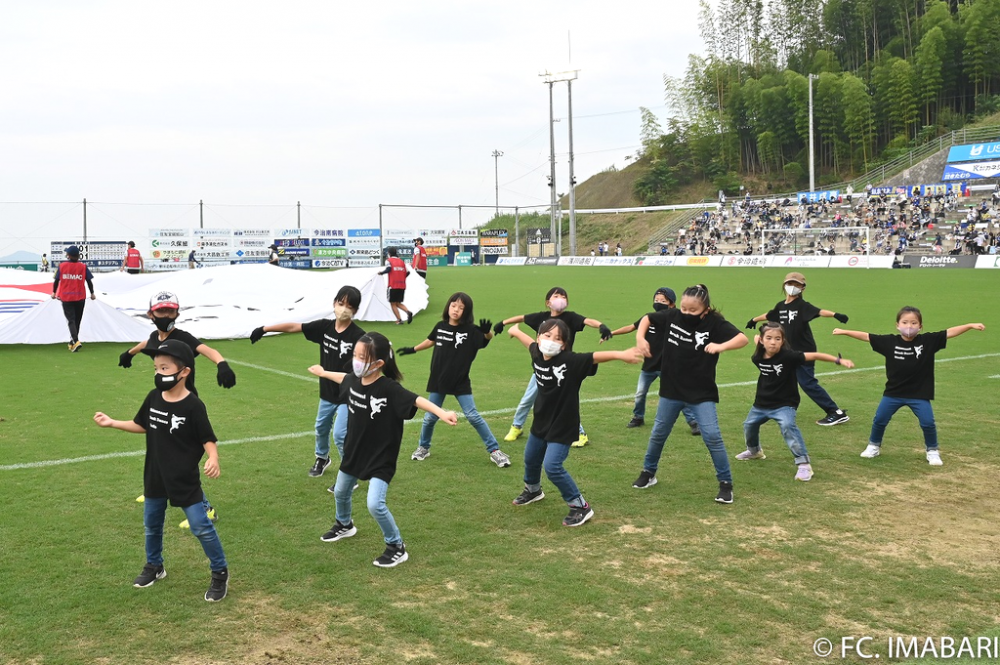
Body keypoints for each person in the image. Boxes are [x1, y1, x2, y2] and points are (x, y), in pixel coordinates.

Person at [94, 339, 229, 602]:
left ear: (184, 372)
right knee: (152, 525)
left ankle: (220, 573)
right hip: (155, 474)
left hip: (183, 477)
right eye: (156, 368)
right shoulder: (154, 397)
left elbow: (208, 438)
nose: (159, 374)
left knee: (201, 526)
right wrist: (112, 423)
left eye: (165, 368)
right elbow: (141, 424)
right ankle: (155, 566)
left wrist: (214, 457)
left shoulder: (193, 406)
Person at [309, 332, 459, 567]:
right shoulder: (354, 380)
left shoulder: (389, 389)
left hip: (380, 456)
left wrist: (442, 413)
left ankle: (396, 546)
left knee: (374, 504)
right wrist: (323, 372)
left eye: (362, 357)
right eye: (356, 355)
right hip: (354, 452)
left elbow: (417, 400)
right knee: (340, 492)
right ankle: (344, 525)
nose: (356, 360)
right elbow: (344, 377)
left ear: (379, 363)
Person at [506, 319, 641, 526]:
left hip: (563, 423)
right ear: (539, 337)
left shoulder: (570, 361)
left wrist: (621, 354)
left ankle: (580, 506)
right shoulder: (536, 352)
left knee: (552, 466)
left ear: (564, 344)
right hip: (541, 420)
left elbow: (595, 357)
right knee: (531, 457)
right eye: (547, 336)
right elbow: (528, 342)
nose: (551, 341)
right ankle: (533, 490)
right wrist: (515, 331)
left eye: (558, 339)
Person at [119, 291, 237, 524]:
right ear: (150, 314)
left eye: (170, 311)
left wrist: (222, 364)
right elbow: (147, 343)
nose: (166, 315)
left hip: (185, 407)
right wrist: (129, 353)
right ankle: (157, 491)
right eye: (161, 311)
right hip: (164, 403)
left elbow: (208, 350)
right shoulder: (155, 337)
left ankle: (206, 509)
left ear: (177, 313)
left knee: (181, 465)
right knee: (160, 452)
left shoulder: (184, 337)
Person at [633, 284, 749, 503]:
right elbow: (647, 319)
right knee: (659, 432)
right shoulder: (673, 315)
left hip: (701, 392)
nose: (686, 314)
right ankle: (648, 473)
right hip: (671, 389)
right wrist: (640, 338)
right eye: (684, 309)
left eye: (692, 311)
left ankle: (726, 484)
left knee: (712, 436)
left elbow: (742, 339)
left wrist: (720, 346)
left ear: (704, 310)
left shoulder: (714, 322)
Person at [833, 307, 985, 465]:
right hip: (893, 393)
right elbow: (866, 336)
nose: (909, 326)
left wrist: (969, 325)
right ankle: (873, 446)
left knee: (927, 422)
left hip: (919, 394)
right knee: (880, 420)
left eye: (914, 323)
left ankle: (932, 451)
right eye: (905, 322)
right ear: (897, 325)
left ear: (920, 326)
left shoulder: (928, 341)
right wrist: (845, 331)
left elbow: (949, 332)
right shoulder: (889, 342)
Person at [250, 286, 365, 480]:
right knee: (321, 428)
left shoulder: (359, 336)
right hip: (327, 394)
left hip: (349, 395)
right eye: (341, 303)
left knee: (339, 435)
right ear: (334, 302)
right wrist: (265, 329)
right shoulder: (324, 328)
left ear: (355, 310)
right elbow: (295, 327)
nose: (344, 309)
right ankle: (322, 458)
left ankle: (349, 475)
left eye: (349, 306)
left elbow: (364, 368)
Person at [398, 292, 510, 467]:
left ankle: (495, 450)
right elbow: (430, 341)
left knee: (473, 416)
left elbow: (486, 339)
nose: (456, 309)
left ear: (466, 312)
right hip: (438, 380)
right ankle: (423, 447)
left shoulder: (472, 331)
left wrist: (487, 332)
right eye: (453, 305)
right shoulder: (440, 326)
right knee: (430, 418)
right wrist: (413, 349)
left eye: (461, 307)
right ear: (448, 306)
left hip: (460, 381)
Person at [493, 286, 612, 447]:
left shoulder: (570, 317)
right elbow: (522, 318)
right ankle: (517, 427)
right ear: (548, 302)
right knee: (527, 399)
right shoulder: (541, 318)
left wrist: (601, 326)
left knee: (563, 403)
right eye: (556, 296)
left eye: (563, 296)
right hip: (541, 368)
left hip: (562, 371)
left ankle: (580, 433)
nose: (560, 298)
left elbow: (588, 320)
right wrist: (503, 323)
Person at [737, 322, 855, 482]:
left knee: (787, 427)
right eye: (769, 338)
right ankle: (754, 451)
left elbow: (814, 355)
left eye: (778, 339)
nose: (773, 342)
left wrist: (838, 361)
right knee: (749, 425)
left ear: (783, 340)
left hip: (785, 404)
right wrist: (757, 340)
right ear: (762, 341)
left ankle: (804, 464)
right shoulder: (757, 357)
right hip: (761, 404)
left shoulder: (789, 357)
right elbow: (758, 342)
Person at [745, 272, 850, 426]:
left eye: (797, 285)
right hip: (788, 352)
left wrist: (836, 315)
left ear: (803, 288)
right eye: (790, 284)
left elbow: (819, 312)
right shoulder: (781, 306)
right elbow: (770, 315)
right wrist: (754, 320)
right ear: (784, 285)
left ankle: (835, 412)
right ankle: (782, 407)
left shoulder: (802, 306)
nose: (793, 287)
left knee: (807, 383)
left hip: (803, 350)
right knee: (785, 379)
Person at [607, 287, 699, 435]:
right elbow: (631, 327)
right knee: (640, 393)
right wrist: (612, 333)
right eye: (656, 300)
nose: (658, 303)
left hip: (667, 366)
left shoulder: (674, 319)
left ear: (671, 304)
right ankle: (638, 417)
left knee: (677, 394)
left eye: (662, 301)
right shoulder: (648, 318)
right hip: (649, 366)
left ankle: (693, 422)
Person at [51, 245, 96, 353]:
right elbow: (89, 281)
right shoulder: (83, 267)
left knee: (71, 320)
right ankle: (72, 343)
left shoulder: (62, 266)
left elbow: (56, 280)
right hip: (80, 297)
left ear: (68, 255)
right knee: (77, 321)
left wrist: (54, 292)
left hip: (66, 297)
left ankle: (75, 341)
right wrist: (92, 293)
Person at [378, 247, 412, 325]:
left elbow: (389, 269)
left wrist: (381, 273)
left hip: (393, 285)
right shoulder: (401, 261)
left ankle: (399, 320)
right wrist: (402, 278)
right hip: (402, 285)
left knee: (393, 303)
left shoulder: (389, 261)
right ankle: (408, 311)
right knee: (398, 303)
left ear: (389, 254)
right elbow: (408, 272)